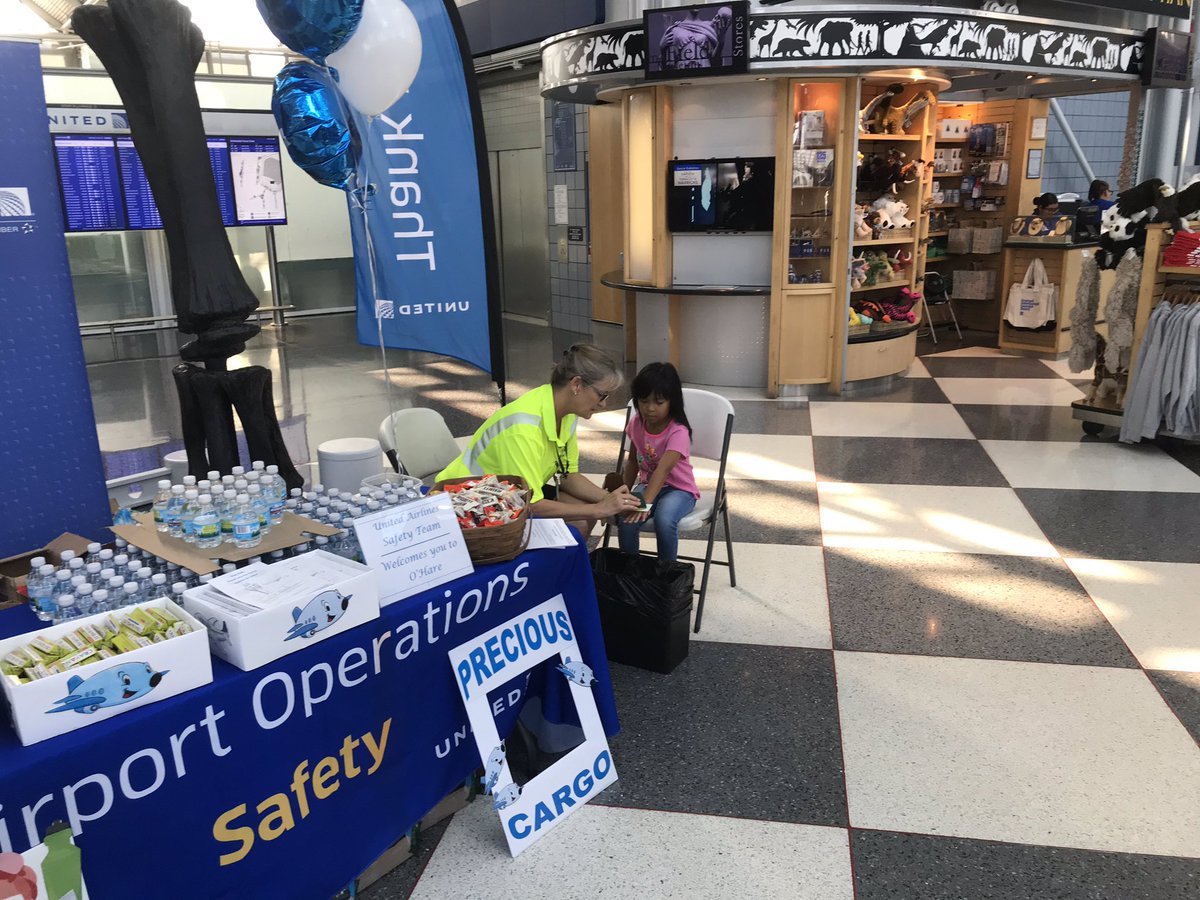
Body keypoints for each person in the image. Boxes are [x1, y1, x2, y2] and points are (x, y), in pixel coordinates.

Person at [436, 344, 640, 538]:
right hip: (467, 497)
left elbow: (568, 476)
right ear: (576, 384)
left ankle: (563, 571)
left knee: (583, 517)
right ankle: (556, 571)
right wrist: (599, 509)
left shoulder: (564, 410)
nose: (604, 404)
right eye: (602, 395)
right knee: (584, 517)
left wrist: (611, 500)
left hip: (509, 493)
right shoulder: (524, 428)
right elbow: (528, 503)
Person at [617, 362, 699, 563]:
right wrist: (622, 494)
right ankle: (631, 573)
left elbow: (662, 471)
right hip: (647, 485)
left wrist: (645, 505)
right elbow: (632, 463)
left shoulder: (678, 431)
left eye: (659, 402)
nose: (650, 408)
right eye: (643, 401)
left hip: (679, 490)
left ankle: (666, 575)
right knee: (626, 519)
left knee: (664, 520)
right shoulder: (636, 423)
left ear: (672, 401)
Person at [658, 7, 732, 70]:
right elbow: (669, 64)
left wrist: (721, 42)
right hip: (682, 72)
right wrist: (662, 48)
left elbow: (716, 63)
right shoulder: (675, 28)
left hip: (704, 71)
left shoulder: (710, 27)